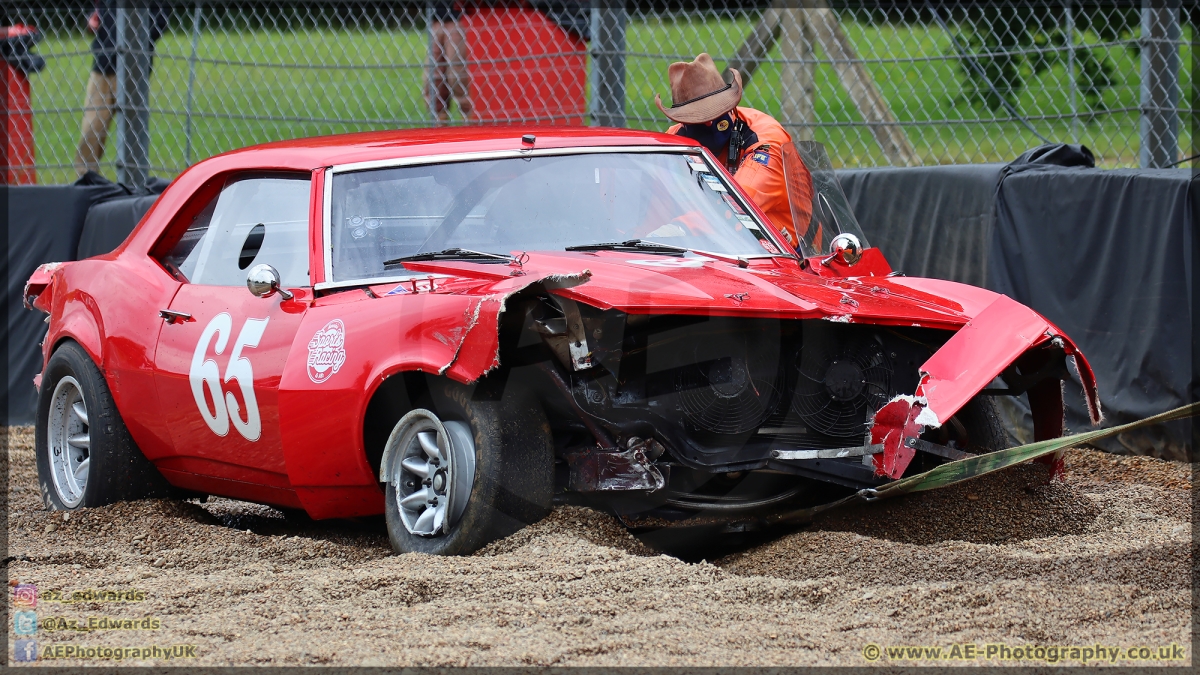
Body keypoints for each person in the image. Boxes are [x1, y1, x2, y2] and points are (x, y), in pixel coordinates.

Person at [655, 53, 813, 251]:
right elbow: (656, 204)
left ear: (730, 105)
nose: (709, 122)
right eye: (696, 116)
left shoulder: (766, 140)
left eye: (715, 111)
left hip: (791, 253)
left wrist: (675, 230)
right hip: (712, 245)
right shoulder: (675, 140)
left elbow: (738, 207)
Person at [74, 1, 169, 177]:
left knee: (132, 133)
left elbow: (161, 20)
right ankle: (85, 178)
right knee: (92, 126)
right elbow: (95, 10)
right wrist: (91, 20)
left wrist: (137, 39)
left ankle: (133, 181)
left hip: (134, 68)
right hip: (103, 64)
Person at [426, 2, 473, 125]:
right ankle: (440, 128)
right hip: (435, 19)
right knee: (433, 79)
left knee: (458, 77)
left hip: (457, 19)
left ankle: (469, 122)